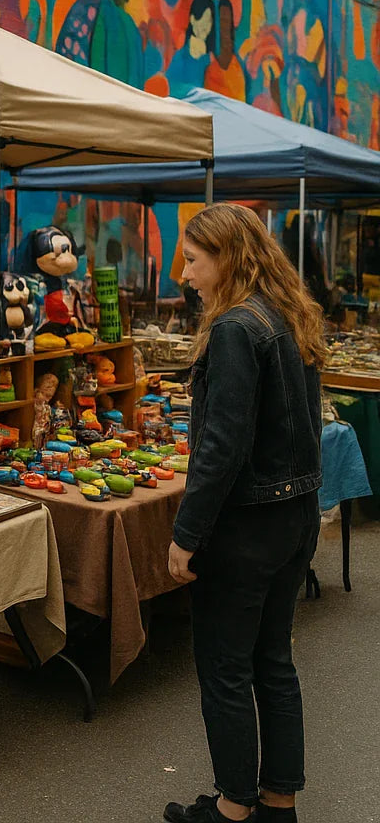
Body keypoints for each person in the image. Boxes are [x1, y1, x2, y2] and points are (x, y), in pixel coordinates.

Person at [164, 203, 325, 823]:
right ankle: (278, 805)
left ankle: (233, 809)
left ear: (226, 256)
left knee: (227, 669)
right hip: (293, 518)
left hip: (247, 527)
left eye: (194, 260)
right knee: (273, 662)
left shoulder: (236, 327)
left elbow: (223, 447)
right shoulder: (285, 313)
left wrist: (186, 535)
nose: (186, 273)